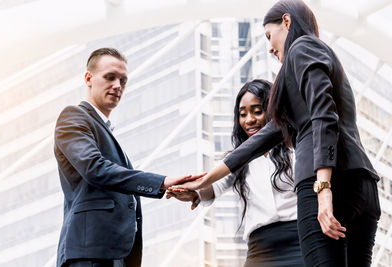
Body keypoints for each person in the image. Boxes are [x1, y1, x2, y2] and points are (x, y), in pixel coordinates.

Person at [172, 1, 381, 266]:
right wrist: (202, 182)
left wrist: (324, 189)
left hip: (330, 183)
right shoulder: (318, 62)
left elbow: (324, 115)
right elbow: (255, 144)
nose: (270, 47)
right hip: (363, 186)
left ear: (287, 21)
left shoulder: (302, 48)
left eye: (270, 36)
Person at [54, 47, 203, 267]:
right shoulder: (73, 117)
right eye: (110, 77)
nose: (117, 86)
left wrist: (174, 188)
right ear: (88, 78)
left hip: (115, 255)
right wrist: (161, 182)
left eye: (123, 81)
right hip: (89, 254)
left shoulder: (105, 132)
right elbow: (95, 169)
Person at [168, 79, 304, 267]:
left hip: (301, 242)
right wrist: (191, 193)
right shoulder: (237, 160)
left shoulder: (296, 148)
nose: (249, 120)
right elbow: (212, 187)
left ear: (272, 111)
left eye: (257, 111)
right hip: (261, 251)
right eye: (243, 114)